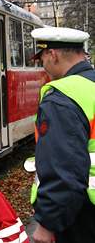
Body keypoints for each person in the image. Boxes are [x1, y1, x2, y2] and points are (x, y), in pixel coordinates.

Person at [30, 27, 95, 243]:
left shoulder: (62, 98)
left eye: (42, 59)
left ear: (52, 55)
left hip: (82, 216)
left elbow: (64, 167)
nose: (44, 66)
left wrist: (48, 223)